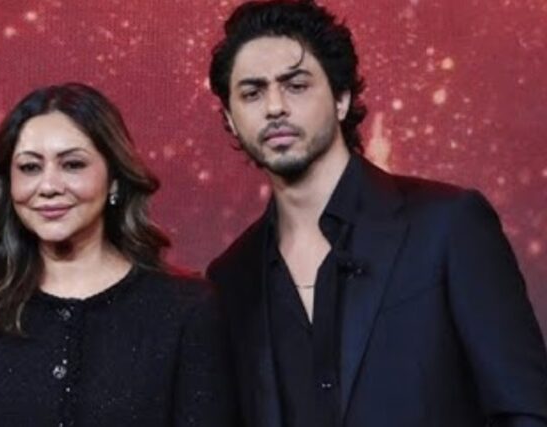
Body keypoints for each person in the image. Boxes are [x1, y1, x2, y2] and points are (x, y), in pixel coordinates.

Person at [206, 1, 547, 426]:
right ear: (230, 118)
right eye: (252, 93)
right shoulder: (230, 278)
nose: (274, 107)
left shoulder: (447, 225)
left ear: (342, 98)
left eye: (296, 85)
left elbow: (527, 410)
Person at [0, 83, 235, 426]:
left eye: (72, 164)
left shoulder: (186, 309)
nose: (49, 186)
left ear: (114, 180)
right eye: (30, 167)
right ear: (9, 184)